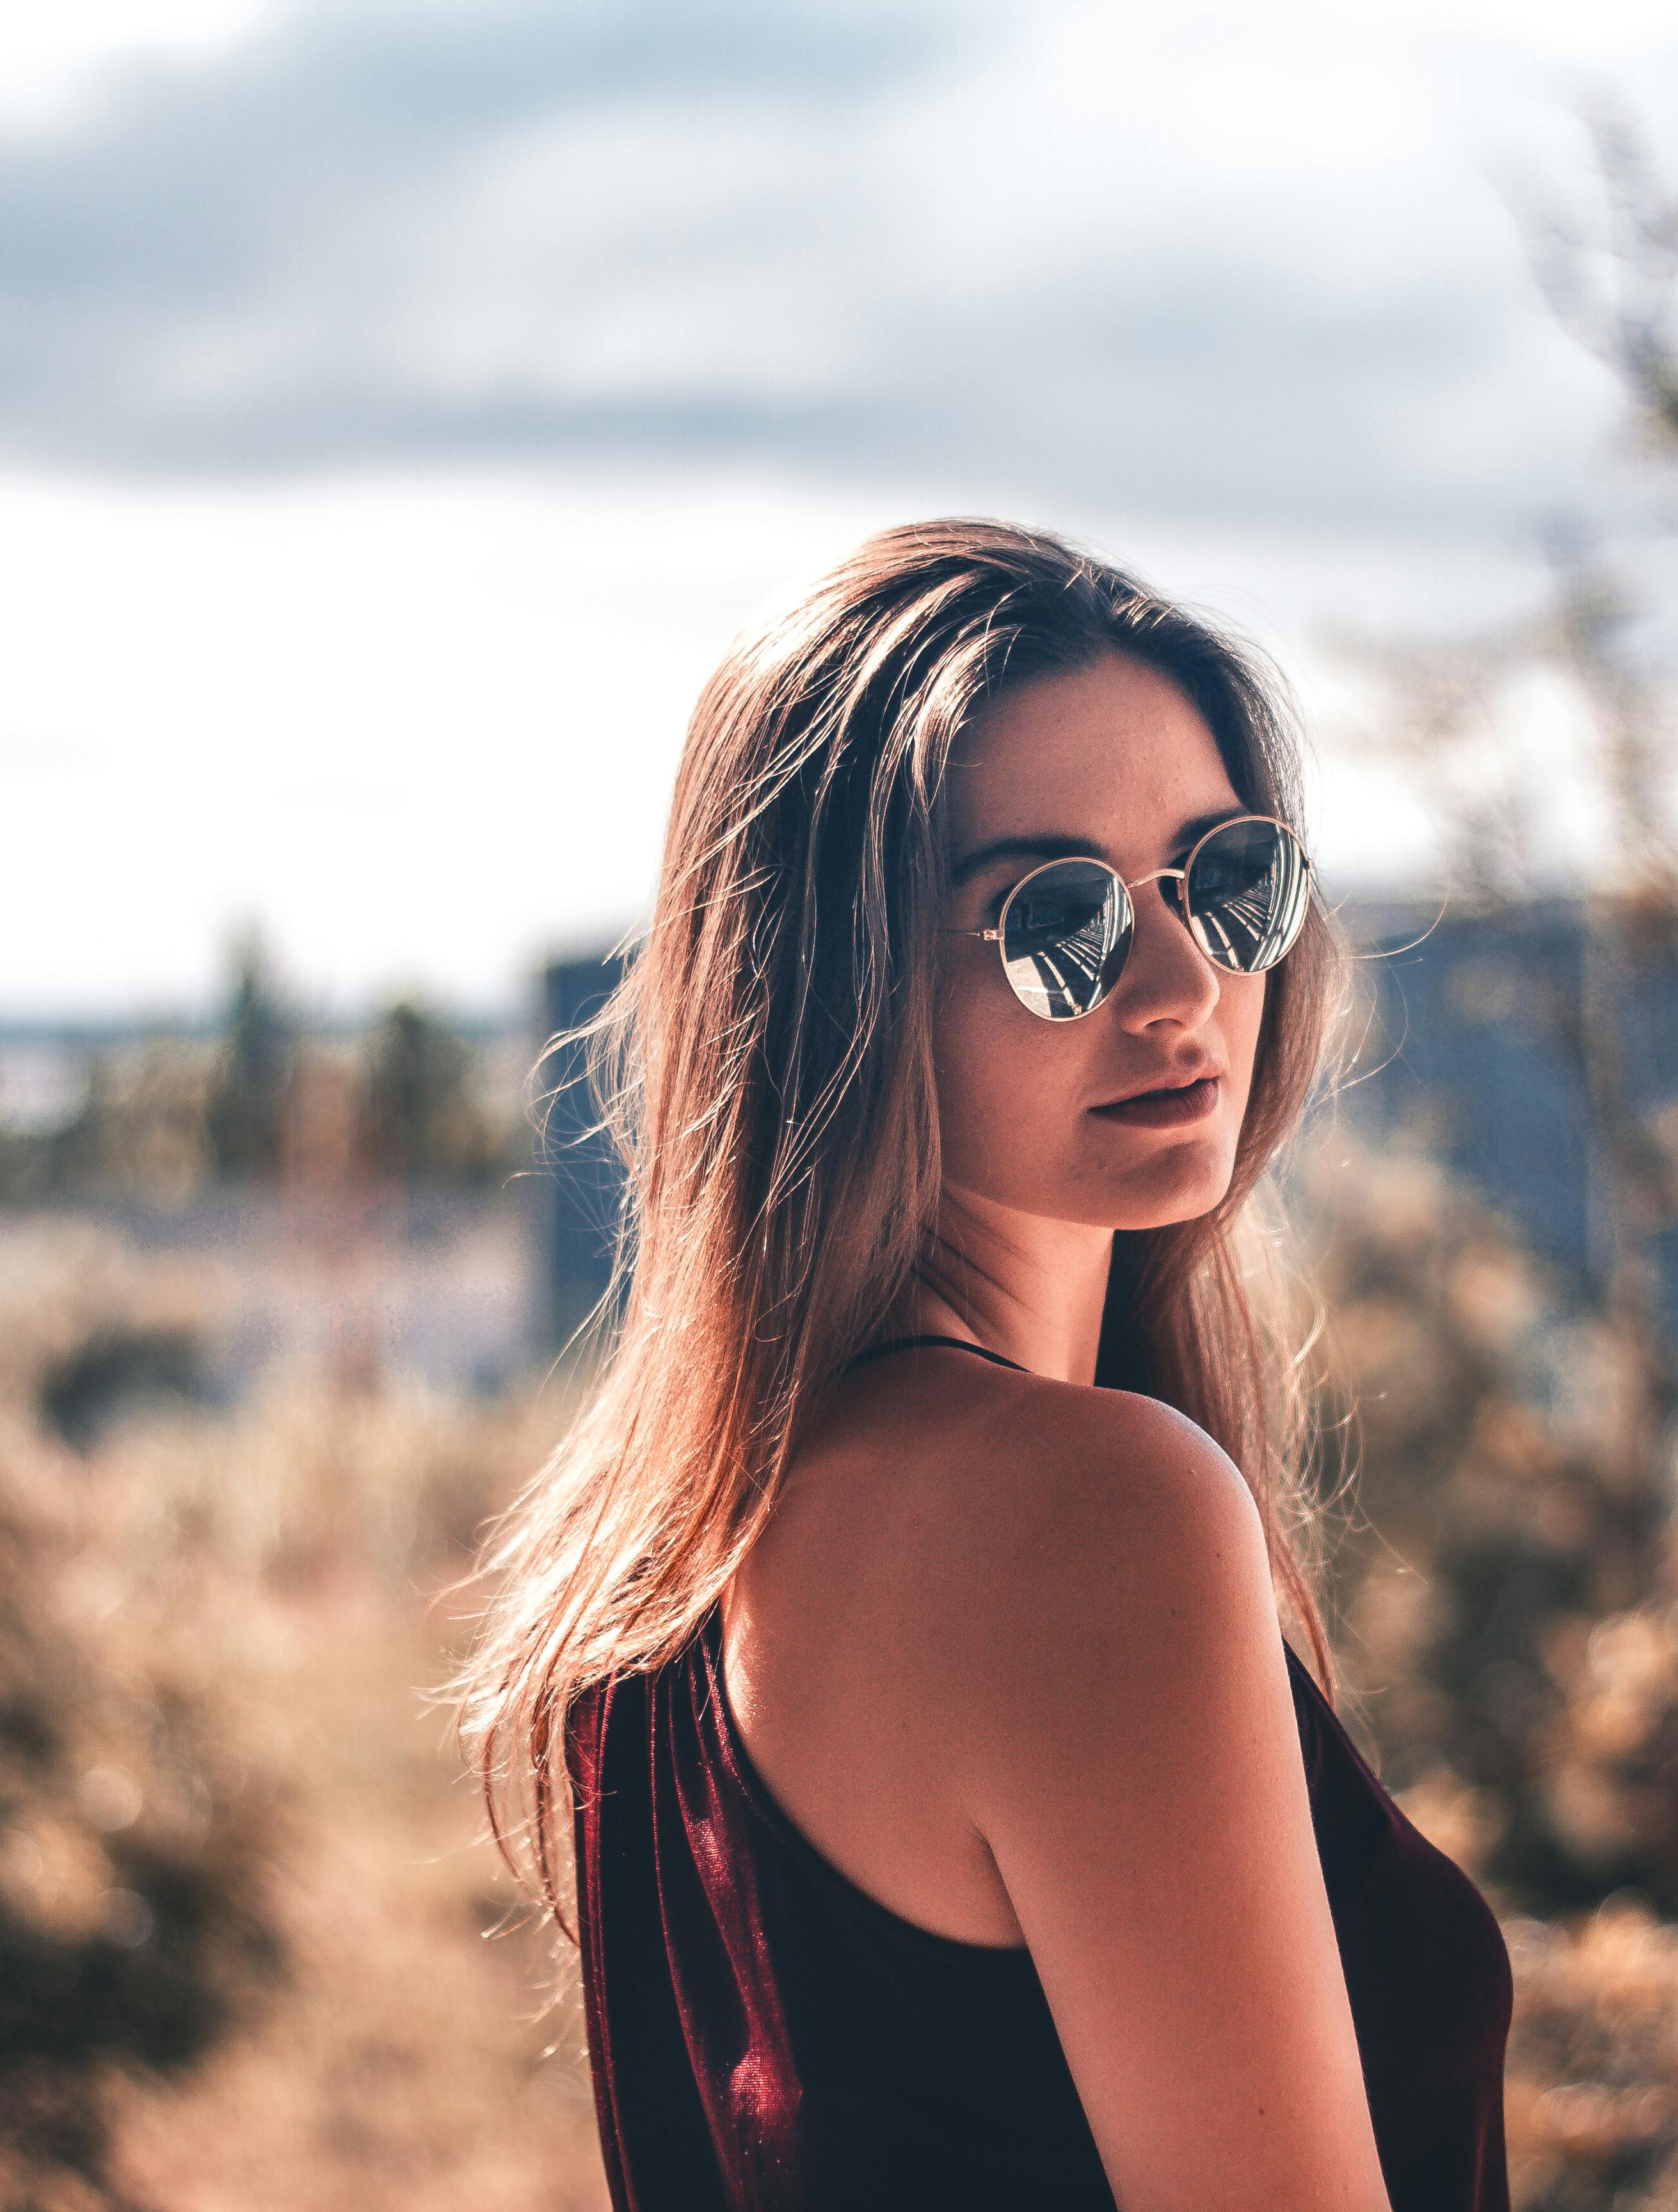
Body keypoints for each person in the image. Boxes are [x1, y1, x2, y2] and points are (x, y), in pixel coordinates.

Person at [456, 518, 1512, 2209]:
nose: (1183, 985)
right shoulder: (1092, 1516)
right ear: (835, 982)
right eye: (1056, 921)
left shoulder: (675, 1580)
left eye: (1228, 879)